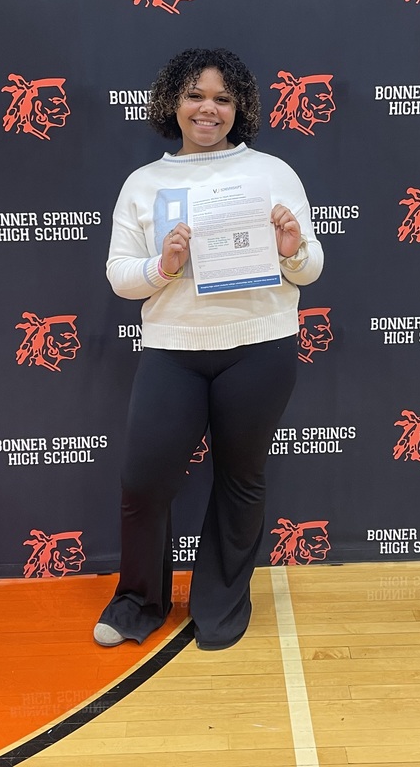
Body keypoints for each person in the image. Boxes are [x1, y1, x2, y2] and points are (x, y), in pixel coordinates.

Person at [94, 48, 324, 651]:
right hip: (173, 348)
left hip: (260, 346)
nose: (208, 108)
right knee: (144, 482)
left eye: (223, 98)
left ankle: (221, 604)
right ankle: (138, 602)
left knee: (241, 479)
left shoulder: (273, 172)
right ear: (173, 101)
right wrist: (162, 266)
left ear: (238, 107)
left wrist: (291, 248)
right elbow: (121, 276)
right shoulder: (144, 183)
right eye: (196, 95)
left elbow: (311, 270)